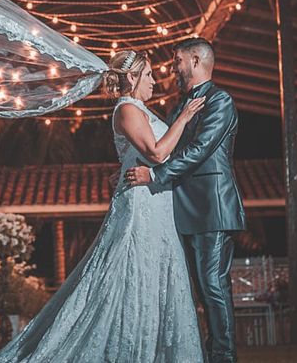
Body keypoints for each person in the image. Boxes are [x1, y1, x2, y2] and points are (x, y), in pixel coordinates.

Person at [0, 50, 205, 362]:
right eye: (148, 76)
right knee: (130, 275)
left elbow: (144, 154)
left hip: (157, 202)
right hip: (140, 207)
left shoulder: (140, 109)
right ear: (132, 78)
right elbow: (156, 153)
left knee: (157, 274)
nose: (155, 82)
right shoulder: (127, 109)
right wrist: (183, 118)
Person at [125, 38, 245, 363]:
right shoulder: (179, 106)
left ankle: (223, 356)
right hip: (181, 208)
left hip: (212, 207)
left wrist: (155, 176)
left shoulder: (220, 101)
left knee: (213, 285)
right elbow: (165, 146)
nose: (173, 67)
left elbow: (198, 150)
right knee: (195, 290)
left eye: (177, 60)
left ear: (195, 61)